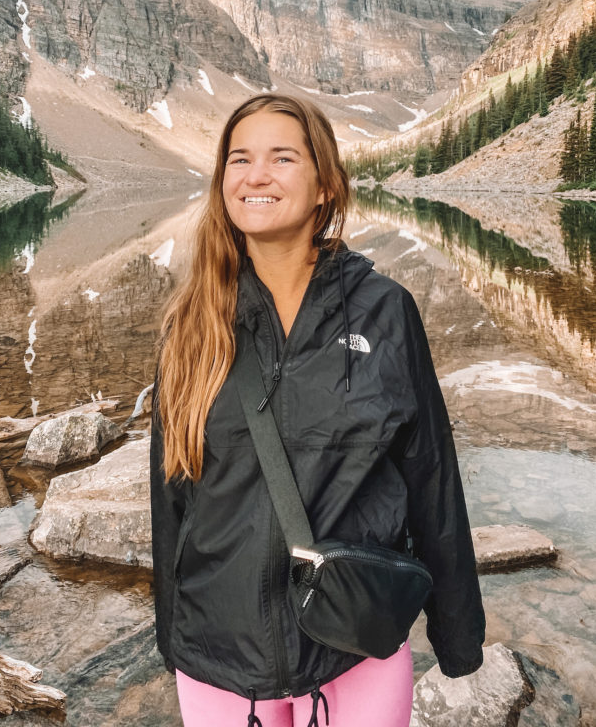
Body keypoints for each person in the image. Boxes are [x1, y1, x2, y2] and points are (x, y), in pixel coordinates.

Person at [150, 93, 485, 727]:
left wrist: (458, 636)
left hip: (353, 644)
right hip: (218, 651)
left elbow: (432, 480)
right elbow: (171, 498)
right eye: (239, 159)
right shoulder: (191, 324)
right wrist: (172, 634)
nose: (256, 175)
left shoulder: (385, 311)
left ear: (325, 184)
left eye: (282, 157)